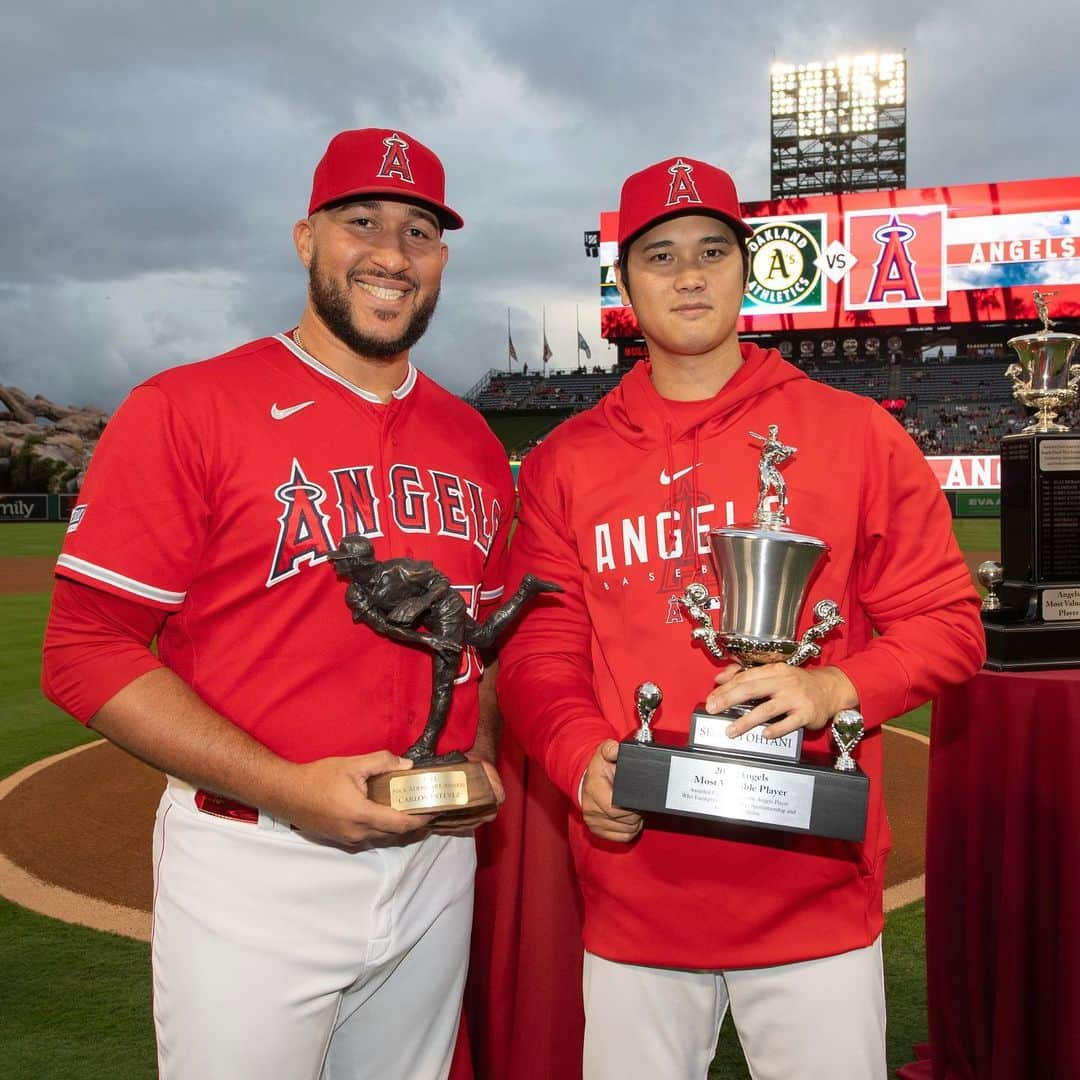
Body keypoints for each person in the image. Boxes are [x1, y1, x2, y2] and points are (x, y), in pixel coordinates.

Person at [497, 155, 986, 1078]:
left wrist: (838, 681)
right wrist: (573, 758)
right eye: (661, 255)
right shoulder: (566, 461)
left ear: (746, 268)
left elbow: (950, 624)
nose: (689, 274)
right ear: (625, 283)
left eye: (713, 251)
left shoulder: (853, 432)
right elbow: (539, 646)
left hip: (812, 887)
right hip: (636, 880)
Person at [41, 127, 515, 1080]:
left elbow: (484, 642)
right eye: (361, 222)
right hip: (254, 863)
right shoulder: (189, 407)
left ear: (443, 260)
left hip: (434, 865)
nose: (391, 252)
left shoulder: (472, 441)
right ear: (306, 239)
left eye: (418, 231)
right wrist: (288, 788)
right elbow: (85, 649)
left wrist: (481, 763)